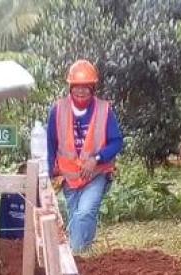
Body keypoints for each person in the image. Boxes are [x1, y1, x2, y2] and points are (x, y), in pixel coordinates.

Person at [47, 60, 124, 253]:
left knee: (85, 213)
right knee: (76, 220)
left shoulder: (104, 110)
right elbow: (50, 144)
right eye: (77, 88)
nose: (81, 92)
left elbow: (116, 141)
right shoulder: (58, 110)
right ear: (70, 87)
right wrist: (48, 173)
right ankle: (85, 259)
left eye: (86, 88)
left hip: (95, 175)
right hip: (69, 178)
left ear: (93, 88)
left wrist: (96, 159)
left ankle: (76, 258)